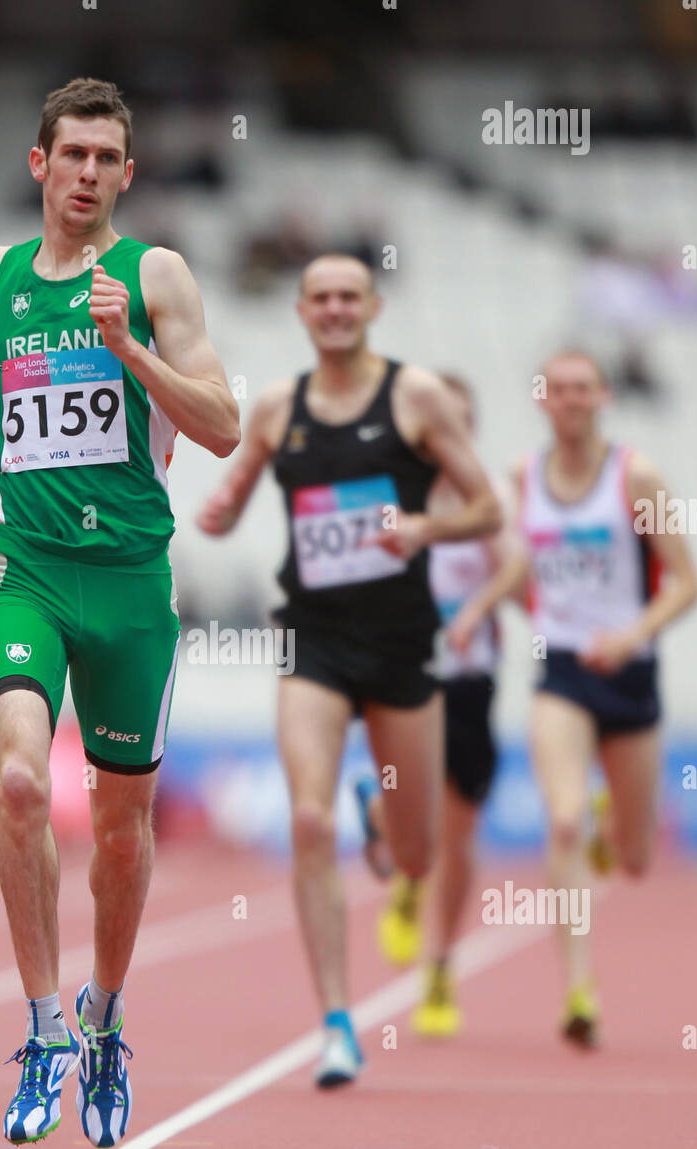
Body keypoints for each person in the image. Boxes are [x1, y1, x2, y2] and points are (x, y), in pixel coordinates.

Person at [0, 78, 239, 1147]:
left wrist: (133, 351)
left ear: (127, 172)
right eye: (72, 156)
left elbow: (223, 428)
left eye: (108, 159)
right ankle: (41, 1027)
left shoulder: (155, 275)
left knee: (120, 830)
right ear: (38, 164)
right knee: (20, 779)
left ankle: (103, 1017)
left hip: (130, 584)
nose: (88, 175)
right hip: (21, 566)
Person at [197, 255, 500, 1085]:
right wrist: (219, 513)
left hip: (402, 647)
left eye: (347, 297)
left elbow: (488, 508)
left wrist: (417, 530)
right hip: (313, 642)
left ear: (372, 306)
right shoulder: (275, 407)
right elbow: (231, 498)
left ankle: (382, 821)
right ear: (300, 311)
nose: (333, 309)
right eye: (319, 298)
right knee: (304, 820)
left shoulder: (418, 397)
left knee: (416, 855)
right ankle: (336, 1021)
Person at [451, 350, 697, 1046]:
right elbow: (526, 557)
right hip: (559, 669)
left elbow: (685, 583)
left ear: (602, 396)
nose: (568, 401)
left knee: (634, 857)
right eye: (556, 390)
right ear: (541, 401)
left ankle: (609, 815)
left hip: (629, 673)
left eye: (580, 389)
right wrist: (479, 606)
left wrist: (630, 635)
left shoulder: (634, 476)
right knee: (561, 827)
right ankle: (577, 990)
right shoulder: (524, 478)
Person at [353, 374, 522, 1037]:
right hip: (406, 676)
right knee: (408, 808)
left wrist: (475, 609)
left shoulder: (487, 500)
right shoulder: (392, 498)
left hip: (471, 677)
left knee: (458, 829)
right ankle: (382, 827)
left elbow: (515, 567)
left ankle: (440, 966)